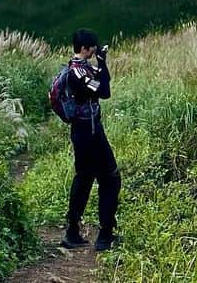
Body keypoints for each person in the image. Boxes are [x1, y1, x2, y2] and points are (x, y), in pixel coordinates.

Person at [60, 27, 121, 252]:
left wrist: (101, 65)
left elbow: (103, 84)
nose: (96, 50)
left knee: (84, 178)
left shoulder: (81, 68)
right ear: (85, 49)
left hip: (85, 132)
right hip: (89, 133)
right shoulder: (78, 73)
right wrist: (103, 63)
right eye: (93, 47)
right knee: (110, 178)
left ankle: (72, 232)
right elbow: (104, 91)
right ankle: (105, 235)